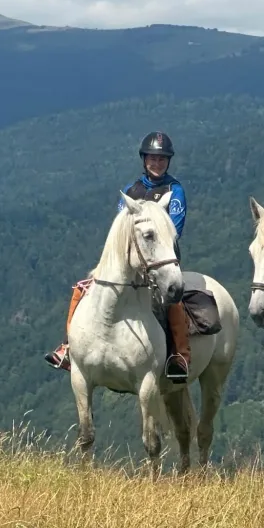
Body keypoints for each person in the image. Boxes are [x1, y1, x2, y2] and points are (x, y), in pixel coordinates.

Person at [43, 131, 192, 383]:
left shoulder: (174, 191)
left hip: (159, 263)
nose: (157, 163)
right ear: (144, 159)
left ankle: (179, 355)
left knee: (173, 301)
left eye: (162, 159)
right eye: (152, 158)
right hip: (126, 263)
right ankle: (68, 348)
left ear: (168, 161)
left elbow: (173, 230)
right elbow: (119, 232)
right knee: (82, 289)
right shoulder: (130, 190)